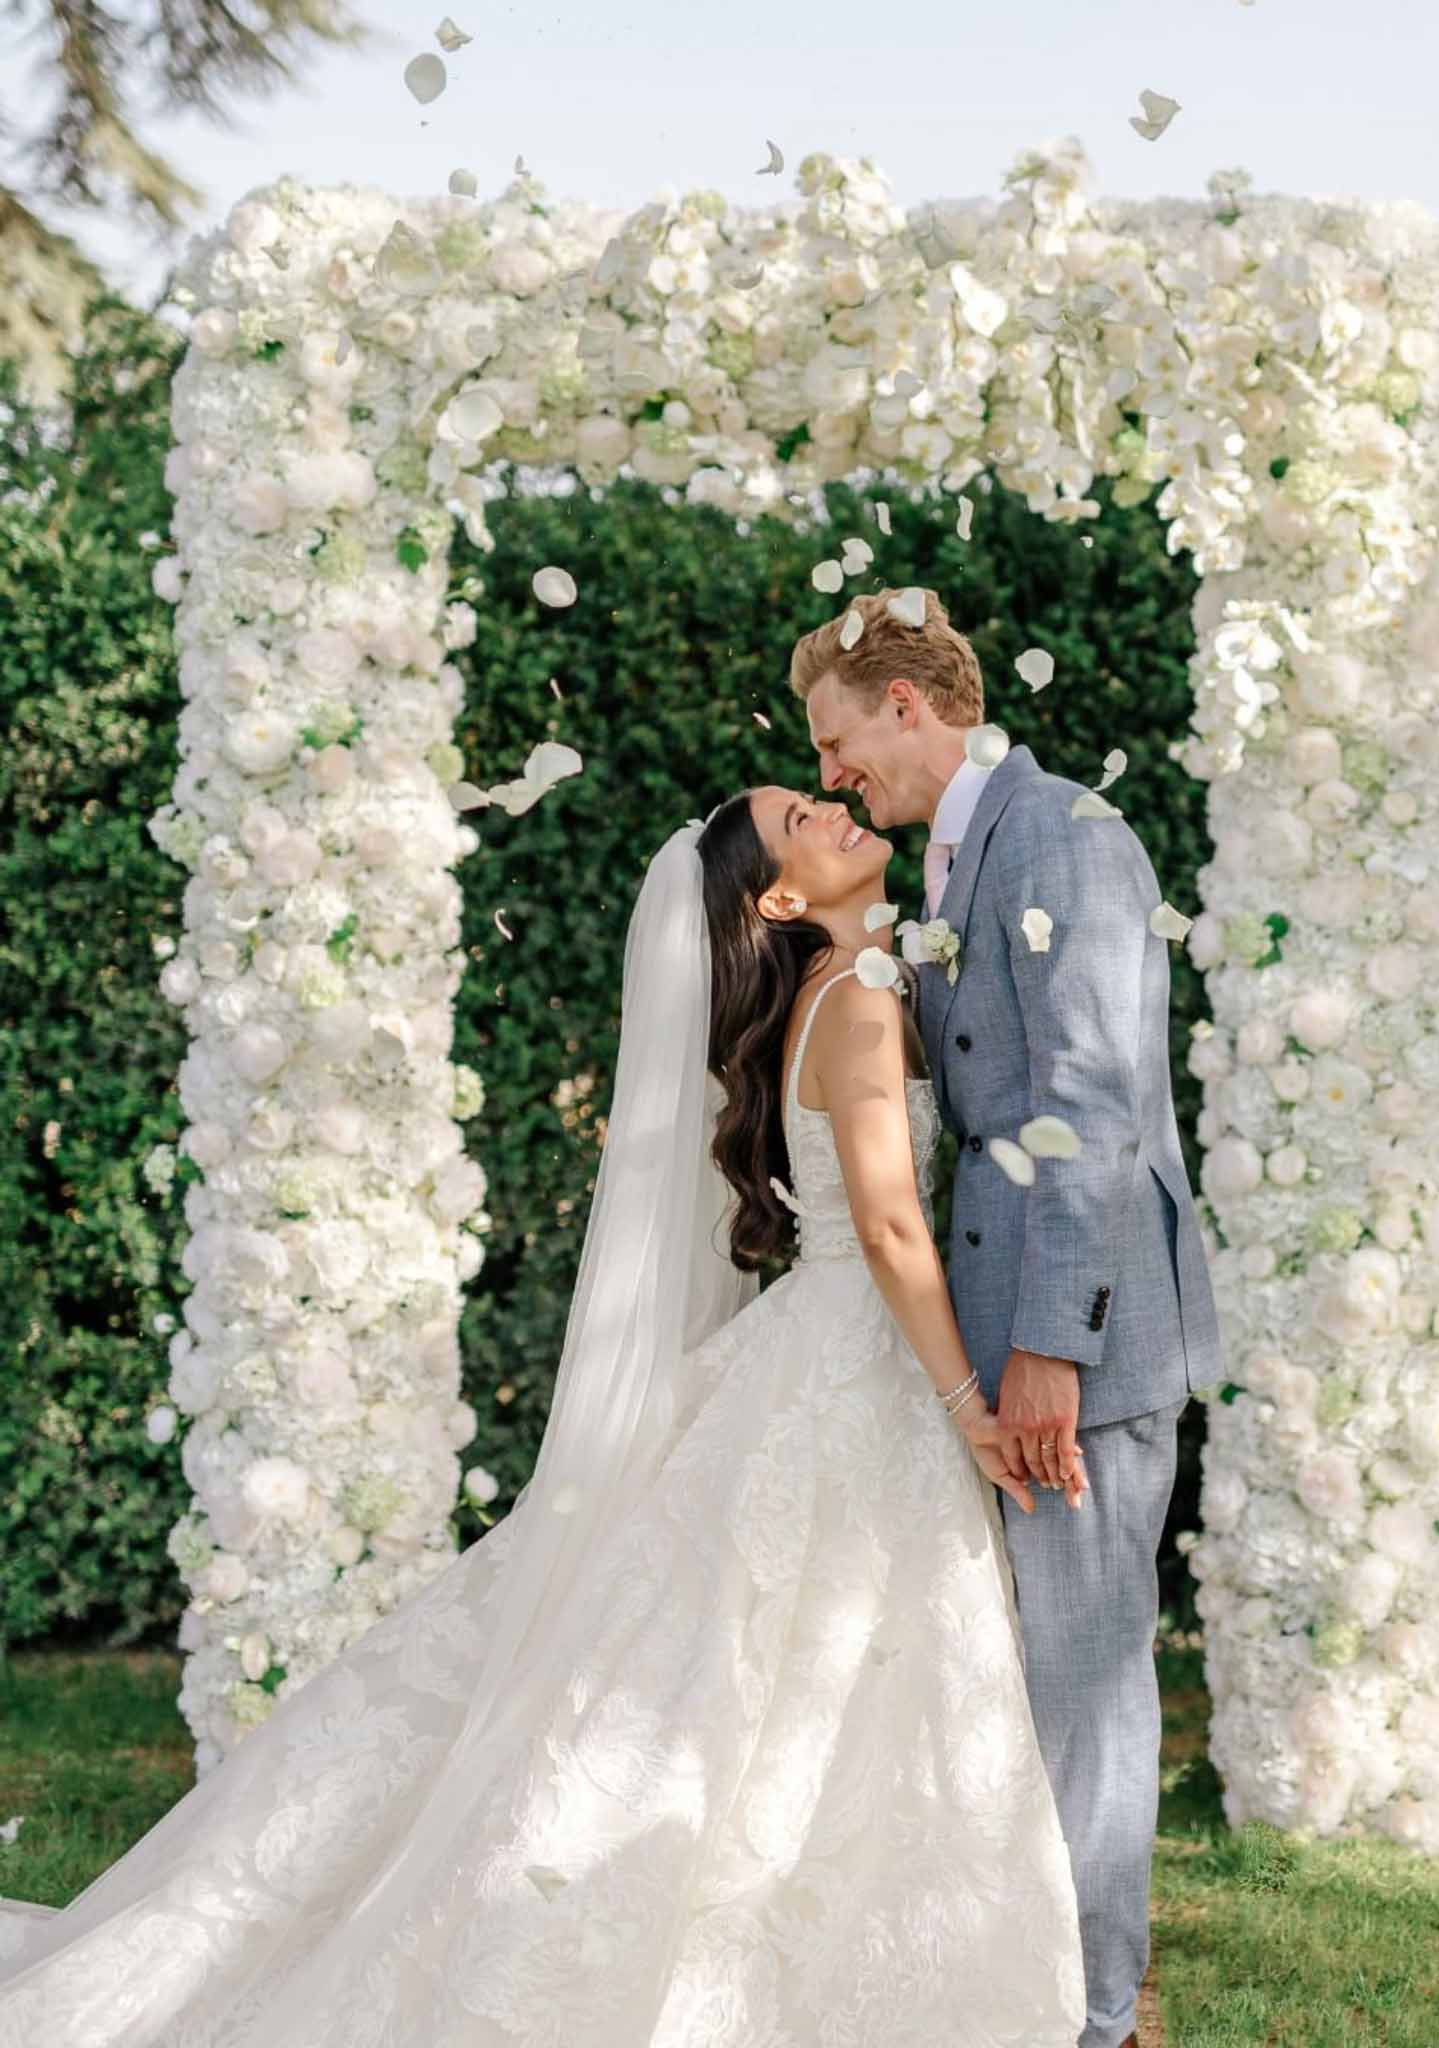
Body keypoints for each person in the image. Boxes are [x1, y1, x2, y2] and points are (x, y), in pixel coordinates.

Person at [0, 789, 1097, 2046]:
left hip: (823, 1353)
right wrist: (969, 1406)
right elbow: (895, 1225)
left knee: (784, 1659)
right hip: (860, 1359)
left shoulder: (841, 990)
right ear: (781, 900)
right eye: (808, 817)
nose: (842, 810)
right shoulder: (854, 997)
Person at [793, 586, 1224, 2048]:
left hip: (1072, 1355)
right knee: (1015, 1692)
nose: (837, 773)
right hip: (1002, 1335)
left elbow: (1090, 1108)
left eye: (840, 742)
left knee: (1081, 1696)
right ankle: (1022, 1986)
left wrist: (1051, 1347)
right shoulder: (966, 847)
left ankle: (1094, 2017)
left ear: (904, 707)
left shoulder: (1058, 834)